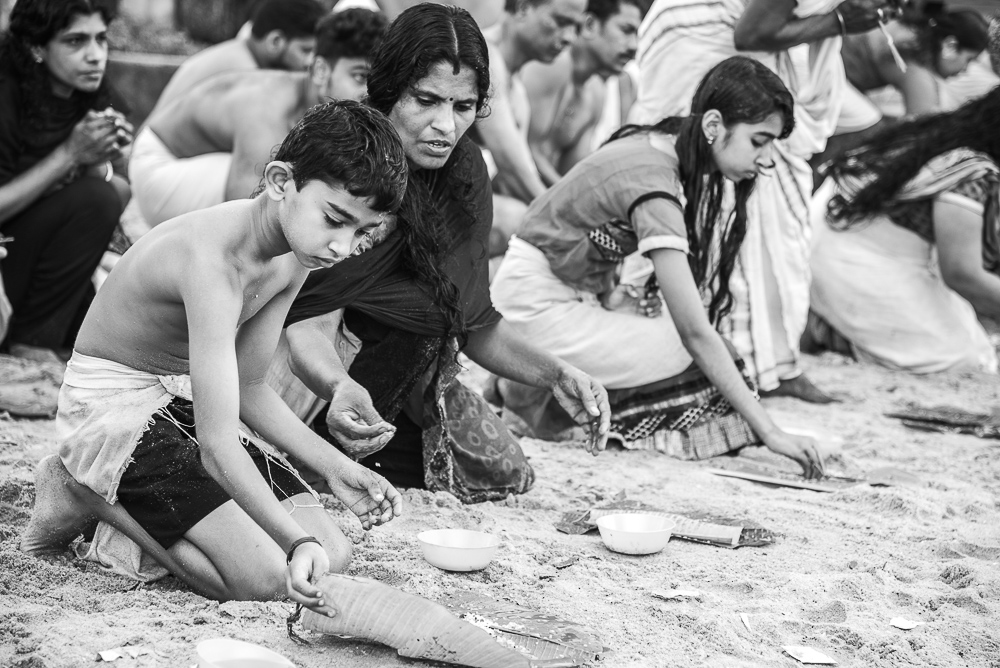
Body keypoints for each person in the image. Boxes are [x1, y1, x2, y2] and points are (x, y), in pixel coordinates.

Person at [21, 100, 407, 606]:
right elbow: (217, 445)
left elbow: (248, 386)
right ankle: (84, 490)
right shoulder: (211, 261)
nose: (341, 246)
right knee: (270, 578)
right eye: (335, 218)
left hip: (179, 403)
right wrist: (296, 538)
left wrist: (336, 466)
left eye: (360, 232)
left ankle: (134, 504)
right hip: (110, 410)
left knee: (333, 553)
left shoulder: (295, 257)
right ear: (278, 182)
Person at [270, 3, 611, 504]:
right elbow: (309, 320)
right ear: (389, 92)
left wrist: (557, 374)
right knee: (415, 320)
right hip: (302, 380)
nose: (445, 126)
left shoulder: (466, 171)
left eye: (463, 106)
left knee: (507, 471)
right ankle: (312, 462)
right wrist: (339, 387)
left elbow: (472, 322)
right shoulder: (349, 161)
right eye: (426, 100)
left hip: (400, 382)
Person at [491, 57, 824, 477]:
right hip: (533, 307)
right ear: (714, 125)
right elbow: (695, 334)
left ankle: (525, 389)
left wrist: (615, 297)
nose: (766, 158)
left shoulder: (656, 144)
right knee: (697, 351)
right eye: (759, 141)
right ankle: (531, 397)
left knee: (694, 343)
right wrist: (772, 433)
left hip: (543, 295)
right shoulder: (655, 182)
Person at [628, 0, 892, 404]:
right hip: (708, 45)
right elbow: (749, 34)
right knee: (700, 202)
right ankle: (705, 359)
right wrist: (838, 21)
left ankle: (776, 363)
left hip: (753, 53)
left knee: (773, 205)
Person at [129, 8, 386, 227]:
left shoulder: (311, 102)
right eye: (359, 77)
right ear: (320, 70)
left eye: (374, 80)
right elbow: (243, 210)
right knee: (280, 192)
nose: (368, 92)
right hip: (158, 167)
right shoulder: (269, 108)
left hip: (200, 163)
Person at [806, 89, 1000, 374]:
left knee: (978, 343)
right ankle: (830, 333)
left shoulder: (944, 131)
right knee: (963, 360)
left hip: (825, 233)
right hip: (849, 256)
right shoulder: (971, 171)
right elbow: (962, 272)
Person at [0, 0, 132, 363]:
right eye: (76, 41)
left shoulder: (87, 88)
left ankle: (35, 333)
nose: (95, 56)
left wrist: (103, 153)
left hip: (34, 245)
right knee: (98, 199)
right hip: (5, 247)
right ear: (36, 47)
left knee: (111, 192)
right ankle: (31, 343)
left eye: (101, 39)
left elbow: (112, 189)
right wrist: (71, 154)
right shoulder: (8, 92)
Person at [478, 0, 587, 256]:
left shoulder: (516, 88)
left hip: (458, 200)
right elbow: (513, 168)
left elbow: (518, 173)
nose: (570, 37)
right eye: (561, 22)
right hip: (415, 199)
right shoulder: (482, 54)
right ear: (524, 8)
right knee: (523, 222)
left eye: (575, 27)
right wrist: (566, 222)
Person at [521, 0, 642, 185]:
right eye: (626, 30)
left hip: (539, 199)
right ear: (590, 25)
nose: (634, 46)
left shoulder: (596, 93)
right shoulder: (555, 64)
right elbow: (525, 151)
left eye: (637, 35)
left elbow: (572, 175)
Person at [149, 0, 326, 117]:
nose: (310, 61)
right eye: (306, 50)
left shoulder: (238, 53)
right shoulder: (244, 71)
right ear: (275, 41)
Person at [840, 7, 989, 117]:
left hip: (831, 64)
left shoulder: (914, 30)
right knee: (868, 121)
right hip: (830, 74)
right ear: (951, 45)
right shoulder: (917, 65)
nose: (965, 70)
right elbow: (921, 127)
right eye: (968, 60)